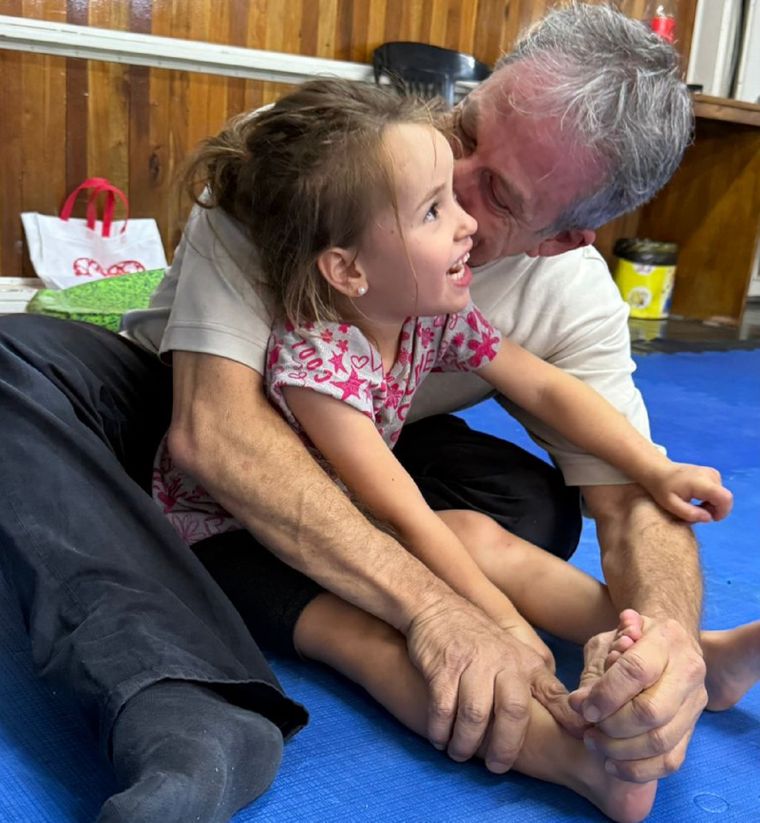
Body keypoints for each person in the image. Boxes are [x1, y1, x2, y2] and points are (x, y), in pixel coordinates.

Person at [0, 4, 739, 822]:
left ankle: (308, 581)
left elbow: (629, 487)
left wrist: (668, 645)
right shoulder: (327, 167)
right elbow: (216, 434)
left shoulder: (555, 293)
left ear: (560, 239)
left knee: (532, 503)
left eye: (493, 193)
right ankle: (187, 695)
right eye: (464, 128)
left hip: (366, 454)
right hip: (178, 422)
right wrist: (449, 610)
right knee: (13, 367)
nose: (453, 186)